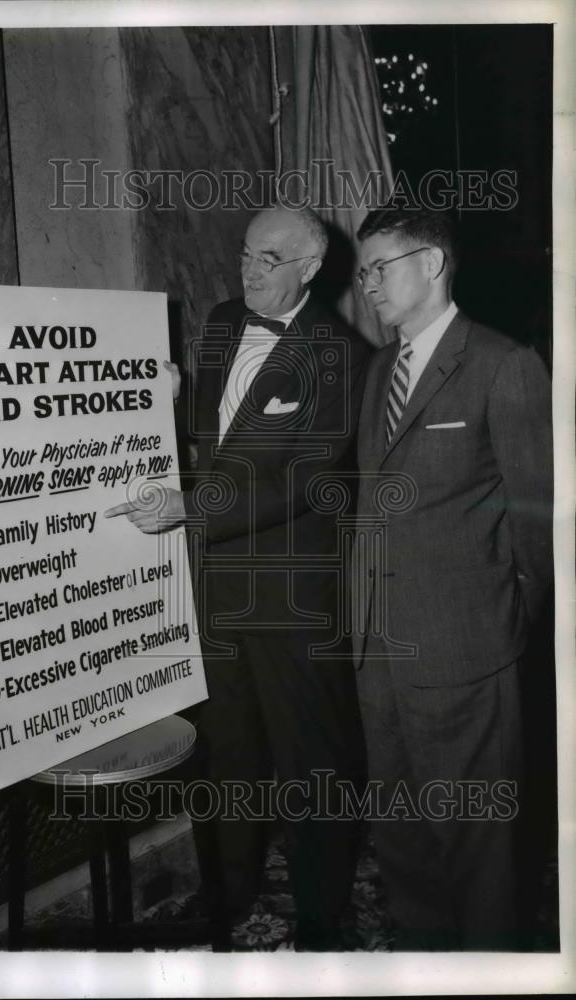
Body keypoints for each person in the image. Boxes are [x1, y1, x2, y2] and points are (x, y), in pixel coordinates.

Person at [106, 205, 370, 949]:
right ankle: (227, 894)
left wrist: (192, 509)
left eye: (269, 260)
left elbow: (308, 480)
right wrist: (165, 398)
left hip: (292, 590)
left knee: (310, 754)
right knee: (225, 749)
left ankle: (321, 912)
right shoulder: (224, 320)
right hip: (217, 584)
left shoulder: (340, 354)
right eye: (246, 254)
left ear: (310, 270)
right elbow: (209, 430)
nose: (248, 271)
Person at [352, 207, 553, 950]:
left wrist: (497, 625)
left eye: (380, 267)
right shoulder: (380, 371)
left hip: (466, 652)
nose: (366, 283)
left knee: (477, 846)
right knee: (401, 837)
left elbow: (539, 528)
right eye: (362, 270)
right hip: (379, 654)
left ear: (431, 265)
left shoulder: (503, 365)